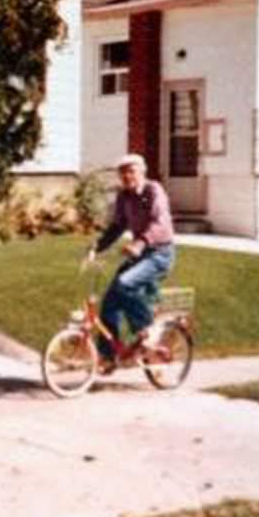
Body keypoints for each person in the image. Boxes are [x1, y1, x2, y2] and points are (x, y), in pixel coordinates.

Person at [87, 153, 175, 373]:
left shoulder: (154, 190)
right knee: (110, 300)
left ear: (142, 172)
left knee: (125, 284)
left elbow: (160, 223)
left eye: (131, 171)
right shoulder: (124, 197)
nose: (127, 176)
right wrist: (96, 247)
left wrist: (139, 243)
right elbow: (117, 227)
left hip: (160, 253)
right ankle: (109, 356)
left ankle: (147, 331)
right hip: (140, 254)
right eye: (123, 172)